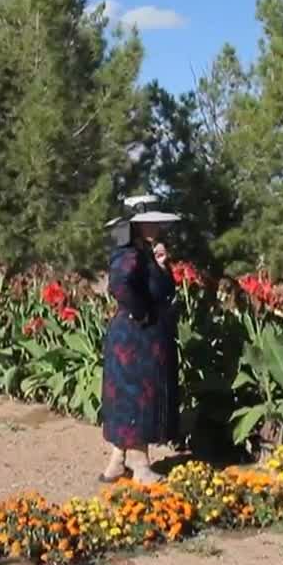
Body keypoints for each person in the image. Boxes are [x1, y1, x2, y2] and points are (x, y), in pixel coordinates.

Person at [98, 196, 181, 484]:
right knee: (137, 397)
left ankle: (117, 462)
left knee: (126, 397)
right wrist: (140, 311)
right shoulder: (129, 253)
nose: (156, 228)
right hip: (135, 339)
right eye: (150, 222)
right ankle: (140, 465)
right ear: (136, 225)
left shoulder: (143, 252)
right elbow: (119, 284)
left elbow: (161, 288)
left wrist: (161, 265)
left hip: (138, 337)